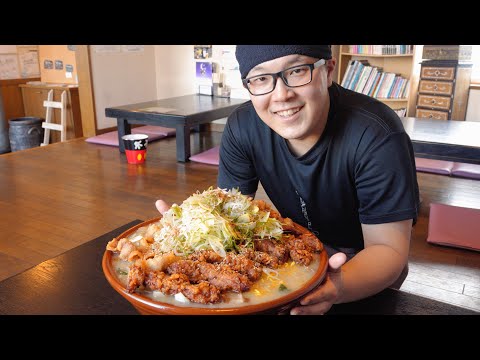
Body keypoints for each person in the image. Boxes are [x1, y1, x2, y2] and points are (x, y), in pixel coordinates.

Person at [156, 45, 420, 315]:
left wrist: (336, 287)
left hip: (363, 266)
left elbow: (387, 250)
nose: (281, 95)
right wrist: (190, 227)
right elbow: (232, 216)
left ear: (328, 71)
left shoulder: (377, 135)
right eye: (260, 79)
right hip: (293, 252)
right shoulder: (242, 127)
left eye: (296, 71)